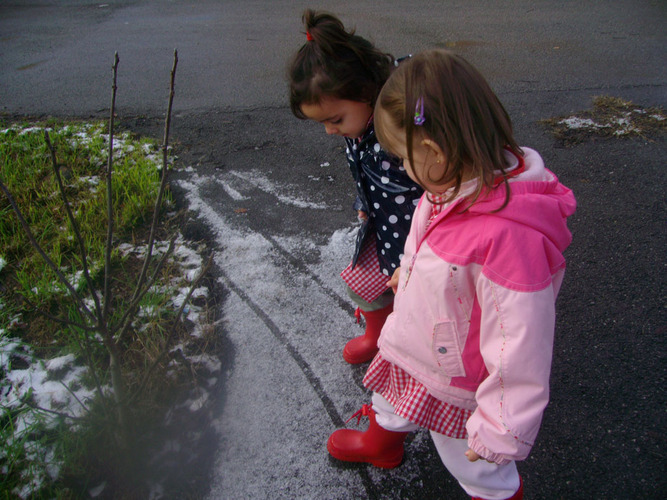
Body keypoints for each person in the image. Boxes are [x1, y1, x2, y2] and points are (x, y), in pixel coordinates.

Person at [326, 49, 577, 500]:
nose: (403, 170)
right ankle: (383, 443)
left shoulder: (507, 236)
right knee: (391, 396)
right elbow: (425, 234)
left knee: (475, 466)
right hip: (419, 340)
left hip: (460, 377)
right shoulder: (454, 180)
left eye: (404, 158)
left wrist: (501, 426)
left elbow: (519, 341)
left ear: (434, 151)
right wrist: (410, 268)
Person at [288, 9, 423, 364]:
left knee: (419, 301)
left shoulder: (400, 128)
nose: (331, 130)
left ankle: (408, 353)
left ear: (366, 90)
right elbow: (364, 169)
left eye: (335, 120)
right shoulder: (359, 125)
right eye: (323, 123)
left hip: (423, 238)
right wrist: (364, 199)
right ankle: (377, 335)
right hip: (383, 228)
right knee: (365, 283)